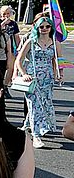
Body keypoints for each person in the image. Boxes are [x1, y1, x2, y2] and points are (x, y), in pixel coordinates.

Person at [14, 16, 62, 148]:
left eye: (47, 26)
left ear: (51, 27)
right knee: (34, 105)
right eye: (42, 27)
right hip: (32, 78)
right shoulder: (31, 41)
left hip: (48, 79)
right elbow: (19, 60)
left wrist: (59, 73)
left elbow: (57, 61)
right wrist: (23, 74)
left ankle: (27, 125)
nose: (45, 29)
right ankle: (36, 136)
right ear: (37, 27)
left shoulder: (55, 42)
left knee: (44, 103)